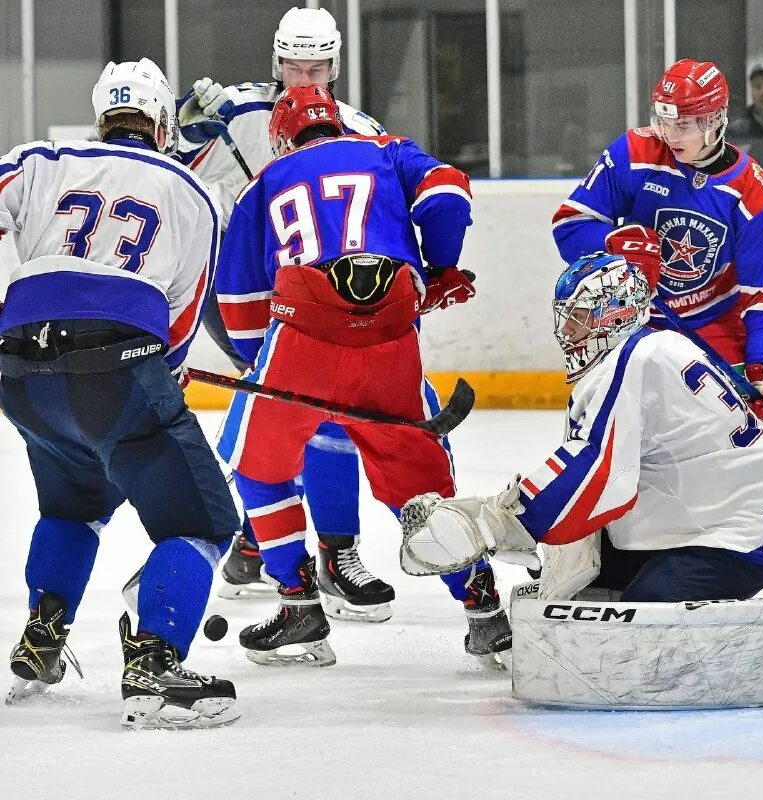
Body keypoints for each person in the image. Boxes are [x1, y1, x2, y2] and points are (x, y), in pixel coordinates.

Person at [214, 84, 508, 668]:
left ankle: (299, 604)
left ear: (281, 136)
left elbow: (239, 294)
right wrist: (442, 267)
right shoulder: (388, 151)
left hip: (301, 341)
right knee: (419, 487)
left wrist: (259, 367)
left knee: (256, 466)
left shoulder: (263, 184)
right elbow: (449, 193)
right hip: (389, 343)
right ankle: (484, 611)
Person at [0, 58, 241, 729]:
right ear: (162, 122)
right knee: (203, 522)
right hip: (120, 370)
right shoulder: (191, 191)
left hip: (21, 367)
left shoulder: (41, 155)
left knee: (75, 503)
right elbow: (184, 319)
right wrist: (163, 369)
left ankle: (43, 634)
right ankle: (155, 662)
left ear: (101, 115)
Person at [399, 252, 763, 608]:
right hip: (731, 505)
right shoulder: (655, 346)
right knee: (588, 580)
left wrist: (498, 521)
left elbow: (598, 467)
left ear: (616, 312)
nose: (567, 332)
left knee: (647, 613)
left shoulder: (631, 361)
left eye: (578, 318)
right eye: (566, 318)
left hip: (748, 532)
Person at [178, 6, 396, 620]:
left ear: (335, 64)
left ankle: (261, 543)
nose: (305, 79)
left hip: (328, 298)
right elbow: (177, 183)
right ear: (276, 61)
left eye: (317, 67)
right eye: (294, 66)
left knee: (310, 417)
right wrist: (184, 132)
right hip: (245, 292)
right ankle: (330, 553)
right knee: (308, 417)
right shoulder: (239, 116)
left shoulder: (361, 129)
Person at [552, 58, 763, 426]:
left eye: (683, 125)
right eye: (664, 121)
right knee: (599, 429)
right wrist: (616, 244)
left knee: (743, 443)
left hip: (715, 327)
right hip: (634, 321)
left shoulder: (754, 194)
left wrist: (761, 365)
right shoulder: (635, 153)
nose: (671, 134)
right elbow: (570, 226)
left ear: (714, 121)